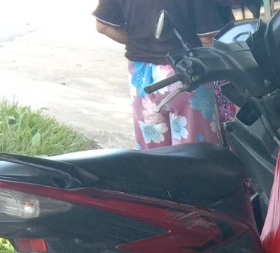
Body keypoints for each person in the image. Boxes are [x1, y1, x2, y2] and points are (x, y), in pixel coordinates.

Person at [94, 0, 232, 149]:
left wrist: (141, 44)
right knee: (196, 152)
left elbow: (103, 26)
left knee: (153, 155)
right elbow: (208, 39)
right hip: (188, 74)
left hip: (141, 77)